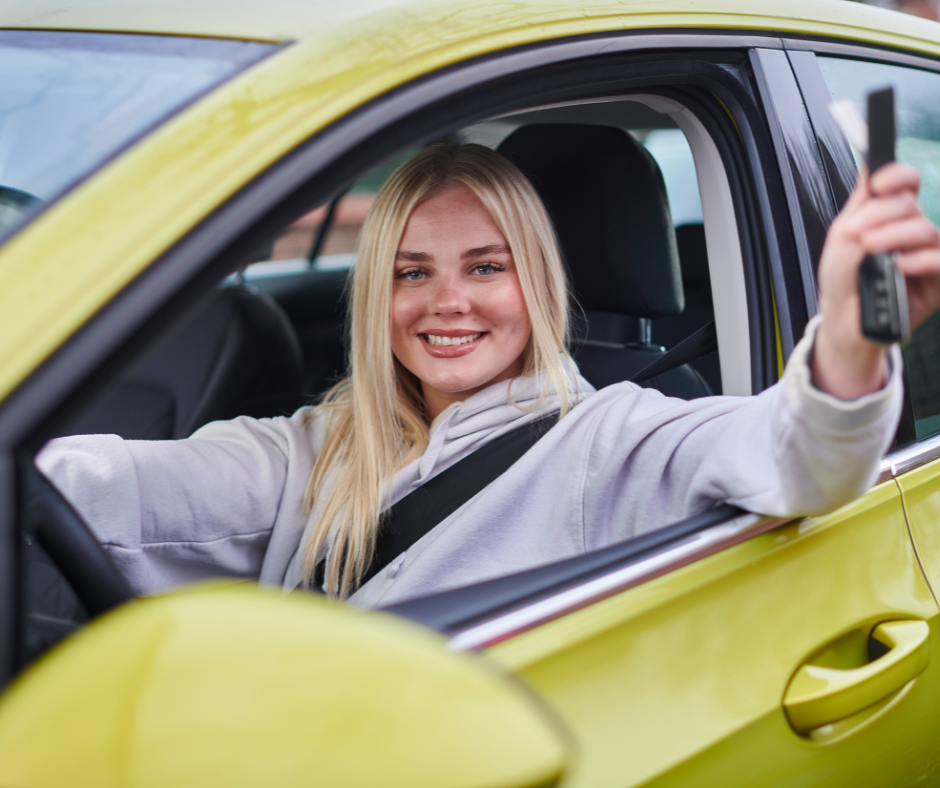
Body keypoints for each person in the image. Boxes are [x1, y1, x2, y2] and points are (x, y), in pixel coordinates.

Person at [37, 142, 940, 605]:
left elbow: (797, 455)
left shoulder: (612, 437)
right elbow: (127, 490)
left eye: (485, 267)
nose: (446, 303)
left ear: (536, 281)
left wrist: (853, 343)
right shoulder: (322, 443)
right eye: (411, 272)